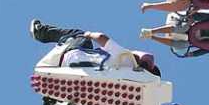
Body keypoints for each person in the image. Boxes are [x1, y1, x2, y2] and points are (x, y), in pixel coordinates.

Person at [30, 19, 161, 75]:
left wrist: (89, 34)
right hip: (76, 74)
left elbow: (102, 37)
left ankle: (41, 32)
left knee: (79, 34)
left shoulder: (126, 59)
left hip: (72, 58)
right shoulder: (127, 81)